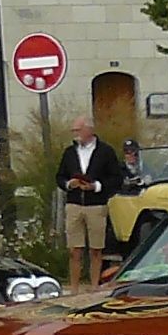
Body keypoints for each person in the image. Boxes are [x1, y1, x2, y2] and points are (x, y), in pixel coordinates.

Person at [56, 117, 128, 285]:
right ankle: (74, 289)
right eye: (74, 131)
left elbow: (116, 178)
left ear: (89, 130)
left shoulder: (105, 151)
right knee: (75, 250)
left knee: (96, 249)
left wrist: (96, 186)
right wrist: (69, 184)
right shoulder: (69, 152)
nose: (75, 134)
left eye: (77, 130)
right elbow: (59, 176)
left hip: (96, 205)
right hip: (74, 204)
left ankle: (94, 286)